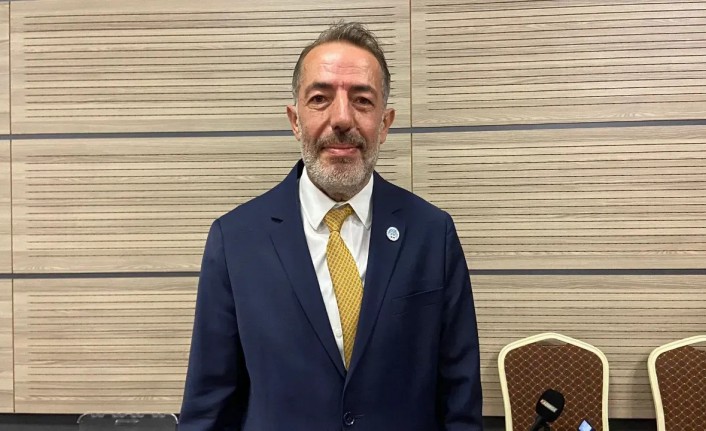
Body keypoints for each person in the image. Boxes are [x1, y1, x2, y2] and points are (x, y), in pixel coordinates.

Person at [179, 21, 483, 431]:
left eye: (362, 100)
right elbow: (209, 405)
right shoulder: (235, 240)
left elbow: (459, 399)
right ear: (295, 120)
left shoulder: (433, 233)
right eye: (320, 98)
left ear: (385, 122)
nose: (341, 118)